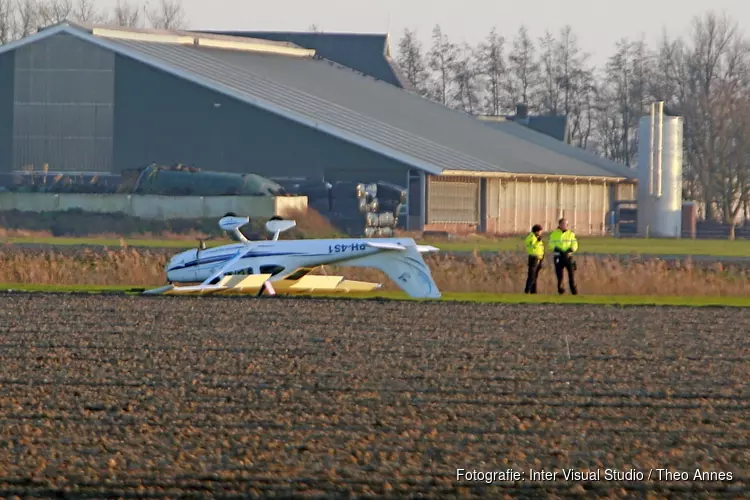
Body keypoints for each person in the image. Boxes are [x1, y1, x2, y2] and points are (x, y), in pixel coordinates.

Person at [548, 218, 579, 295]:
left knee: (572, 275)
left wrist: (570, 250)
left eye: (566, 224)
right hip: (559, 256)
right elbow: (551, 244)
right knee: (559, 275)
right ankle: (561, 290)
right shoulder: (554, 234)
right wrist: (557, 249)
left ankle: (574, 292)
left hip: (568, 257)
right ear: (559, 225)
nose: (565, 225)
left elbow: (575, 244)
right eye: (563, 224)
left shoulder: (571, 234)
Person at [524, 224, 544, 294]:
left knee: (535, 276)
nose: (541, 233)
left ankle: (533, 291)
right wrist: (537, 241)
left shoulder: (538, 238)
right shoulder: (531, 237)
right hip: (533, 258)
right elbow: (531, 245)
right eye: (540, 231)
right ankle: (527, 291)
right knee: (531, 276)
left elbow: (541, 249)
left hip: (539, 258)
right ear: (536, 231)